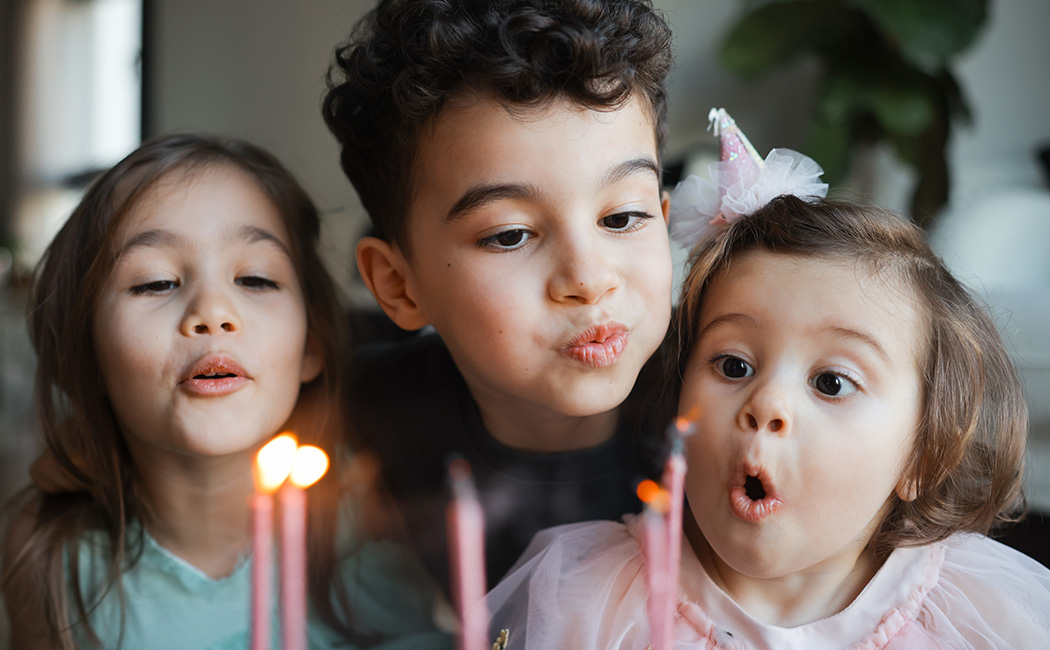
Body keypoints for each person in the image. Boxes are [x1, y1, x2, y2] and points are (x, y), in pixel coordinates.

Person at [485, 110, 1050, 648]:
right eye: (734, 366)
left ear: (925, 455)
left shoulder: (980, 616)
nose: (767, 402)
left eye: (831, 382)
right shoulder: (593, 602)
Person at [1, 135, 449, 649]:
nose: (212, 311)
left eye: (255, 278)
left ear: (312, 343)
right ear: (85, 352)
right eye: (156, 282)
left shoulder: (387, 504)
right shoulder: (52, 559)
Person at [322, 0, 676, 591]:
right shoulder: (356, 420)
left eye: (623, 218)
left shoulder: (730, 416)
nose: (588, 279)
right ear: (398, 285)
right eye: (510, 235)